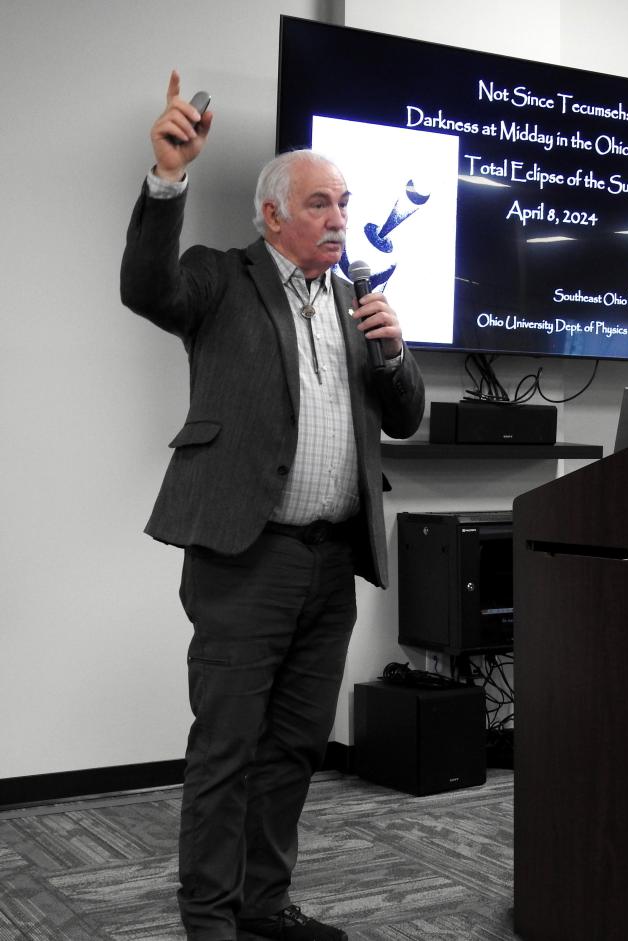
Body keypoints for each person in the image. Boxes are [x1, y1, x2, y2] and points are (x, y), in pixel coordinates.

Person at [120, 71, 426, 941]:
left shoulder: (355, 300)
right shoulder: (220, 282)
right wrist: (168, 178)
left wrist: (397, 352)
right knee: (227, 747)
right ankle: (209, 917)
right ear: (272, 216)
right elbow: (148, 288)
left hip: (332, 560)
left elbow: (404, 418)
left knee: (294, 744)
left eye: (345, 202)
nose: (339, 217)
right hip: (245, 555)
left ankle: (263, 900)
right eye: (321, 203)